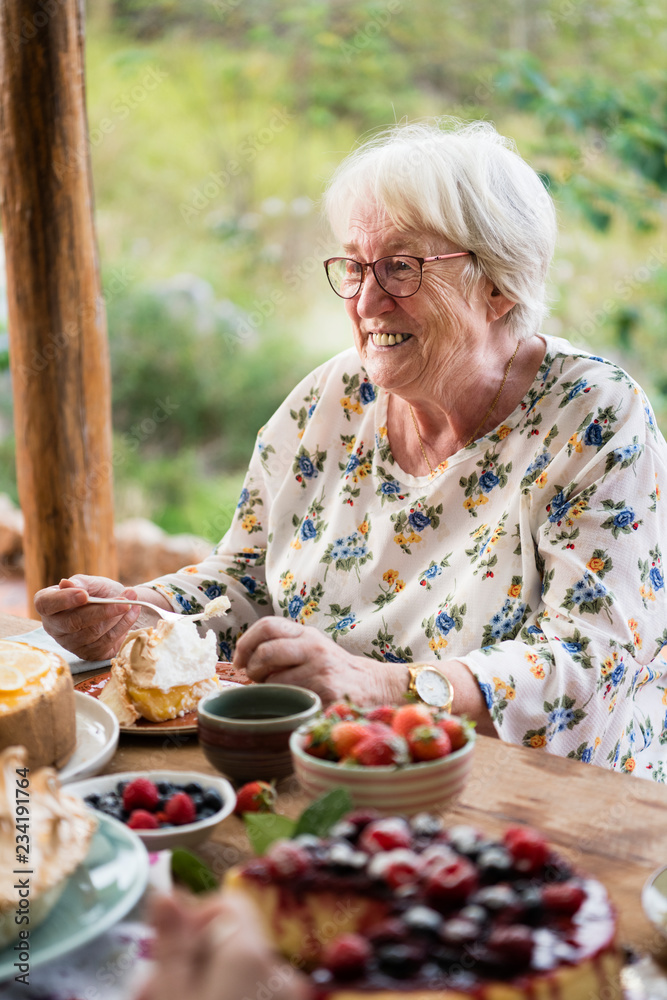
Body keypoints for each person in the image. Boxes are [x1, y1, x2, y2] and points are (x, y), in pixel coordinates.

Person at [36, 119, 667, 780]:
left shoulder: (592, 415)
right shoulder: (332, 397)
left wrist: (382, 687)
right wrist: (142, 615)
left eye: (400, 267)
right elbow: (250, 579)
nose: (366, 300)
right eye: (355, 266)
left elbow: (589, 664)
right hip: (337, 771)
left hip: (544, 801)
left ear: (497, 284)